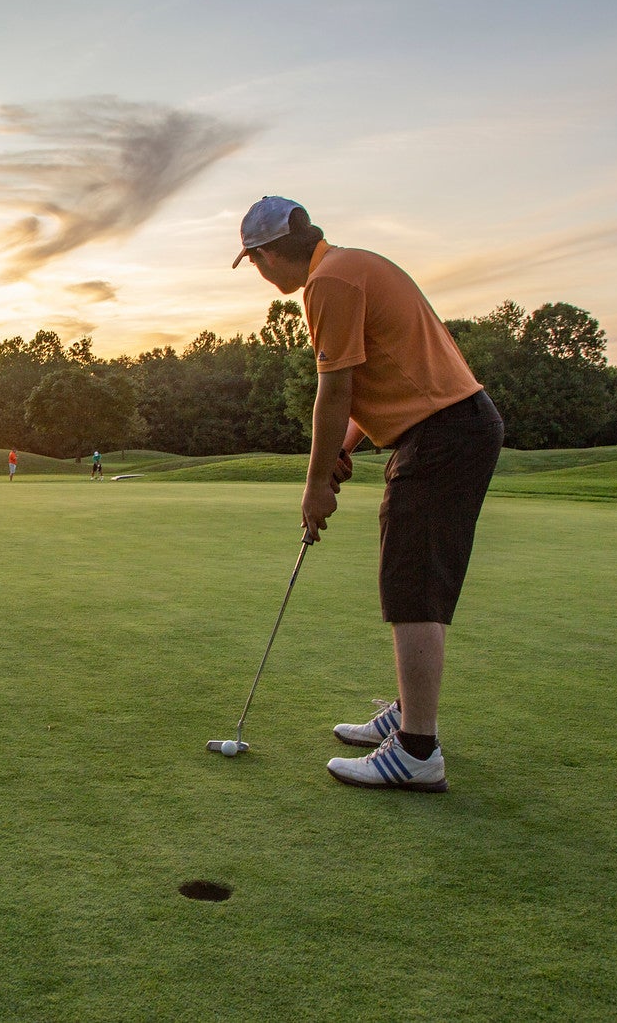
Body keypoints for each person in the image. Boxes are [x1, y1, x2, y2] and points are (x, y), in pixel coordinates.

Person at [232, 196, 503, 792]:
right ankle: (410, 715)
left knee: (412, 584)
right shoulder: (351, 266)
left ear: (272, 252)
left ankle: (416, 750)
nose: (259, 273)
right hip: (449, 428)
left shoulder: (329, 283)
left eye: (254, 262)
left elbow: (333, 393)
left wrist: (315, 487)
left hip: (443, 434)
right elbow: (371, 381)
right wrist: (346, 447)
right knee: (412, 577)